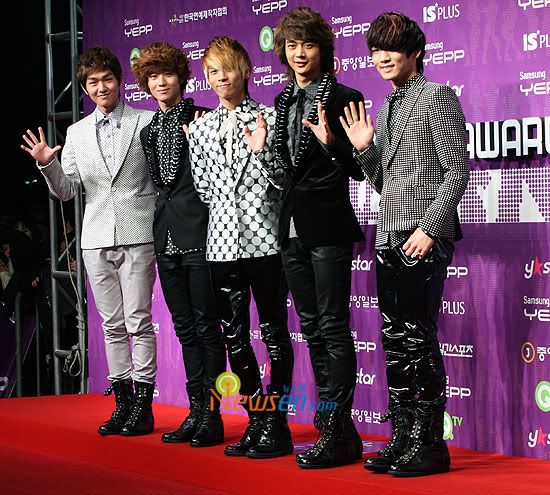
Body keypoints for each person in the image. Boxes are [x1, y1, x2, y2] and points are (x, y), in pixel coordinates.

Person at [338, 12, 470, 477]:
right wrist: (364, 148)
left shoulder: (436, 97)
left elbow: (457, 170)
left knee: (417, 336)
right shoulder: (390, 103)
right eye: (375, 49)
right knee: (395, 339)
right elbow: (384, 182)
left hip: (422, 238)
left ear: (415, 51)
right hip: (390, 234)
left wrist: (430, 228)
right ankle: (403, 437)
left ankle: (430, 444)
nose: (381, 57)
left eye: (391, 48)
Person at [21, 46, 158, 437]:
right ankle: (123, 404)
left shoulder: (146, 121)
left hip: (138, 233)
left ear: (120, 80)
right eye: (93, 82)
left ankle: (143, 406)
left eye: (107, 79)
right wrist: (47, 163)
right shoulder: (76, 133)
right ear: (84, 88)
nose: (101, 87)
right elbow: (66, 191)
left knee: (139, 321)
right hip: (95, 238)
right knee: (111, 325)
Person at [188, 36, 294, 459]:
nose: (220, 78)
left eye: (227, 69)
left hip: (266, 241)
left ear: (245, 70)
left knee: (274, 332)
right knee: (233, 335)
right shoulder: (200, 129)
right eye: (212, 72)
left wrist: (262, 151)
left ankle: (278, 423)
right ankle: (257, 419)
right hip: (221, 245)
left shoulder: (269, 118)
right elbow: (204, 188)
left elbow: (283, 179)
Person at [270, 7, 365, 469]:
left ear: (323, 50)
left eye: (308, 44)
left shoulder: (346, 97)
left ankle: (338, 429)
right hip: (289, 230)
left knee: (331, 326)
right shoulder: (282, 100)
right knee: (310, 328)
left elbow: (357, 168)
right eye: (292, 45)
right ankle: (335, 430)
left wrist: (330, 142)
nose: (300, 53)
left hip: (327, 227)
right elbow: (282, 171)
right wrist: (261, 152)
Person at [132, 42, 226, 447]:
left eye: (167, 74)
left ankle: (212, 416)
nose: (160, 82)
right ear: (145, 83)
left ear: (182, 77)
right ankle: (195, 411)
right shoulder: (148, 131)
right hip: (165, 237)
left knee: (208, 328)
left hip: (201, 235)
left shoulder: (203, 118)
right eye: (153, 76)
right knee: (186, 330)